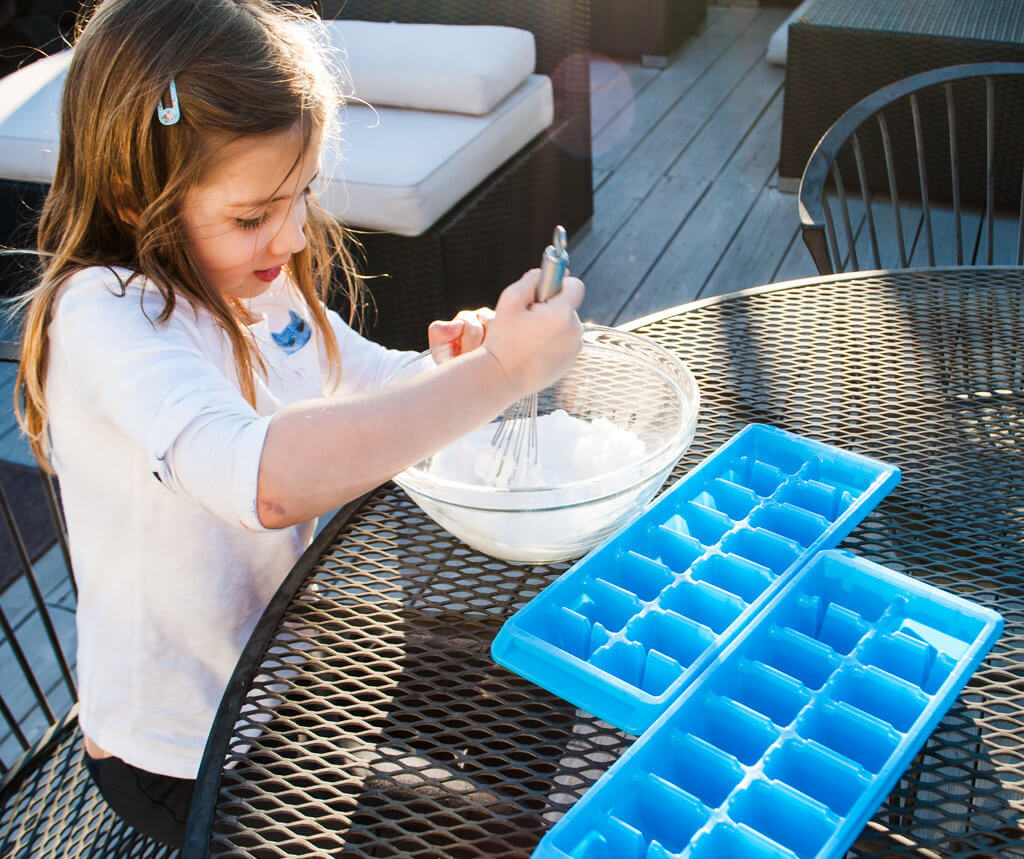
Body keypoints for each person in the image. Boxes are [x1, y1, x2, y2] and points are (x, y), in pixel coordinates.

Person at [12, 0, 584, 848]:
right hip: (181, 751)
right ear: (137, 198)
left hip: (289, 665)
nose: (291, 232)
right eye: (253, 215)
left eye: (302, 193)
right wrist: (499, 377)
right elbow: (264, 481)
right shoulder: (103, 316)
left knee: (538, 696)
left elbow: (359, 380)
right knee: (491, 828)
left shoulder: (254, 278)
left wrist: (461, 362)